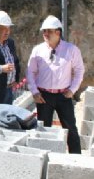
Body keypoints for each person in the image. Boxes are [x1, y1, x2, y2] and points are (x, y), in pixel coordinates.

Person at [26, 15, 84, 154]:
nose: (45, 34)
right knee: (43, 130)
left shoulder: (71, 50)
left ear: (58, 32)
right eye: (44, 31)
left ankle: (76, 158)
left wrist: (72, 90)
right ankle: (43, 158)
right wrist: (34, 91)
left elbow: (79, 70)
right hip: (43, 96)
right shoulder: (37, 50)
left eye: (49, 31)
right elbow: (30, 71)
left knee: (70, 129)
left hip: (63, 96)